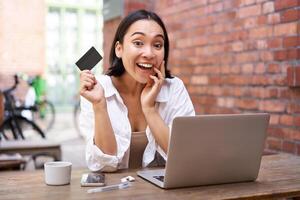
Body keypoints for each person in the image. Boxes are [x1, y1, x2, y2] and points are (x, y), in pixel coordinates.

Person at [79, 9, 195, 172]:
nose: (149, 53)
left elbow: (185, 157)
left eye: (157, 45)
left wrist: (149, 109)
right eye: (138, 43)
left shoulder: (174, 88)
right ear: (119, 49)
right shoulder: (96, 90)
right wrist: (99, 105)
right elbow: (105, 164)